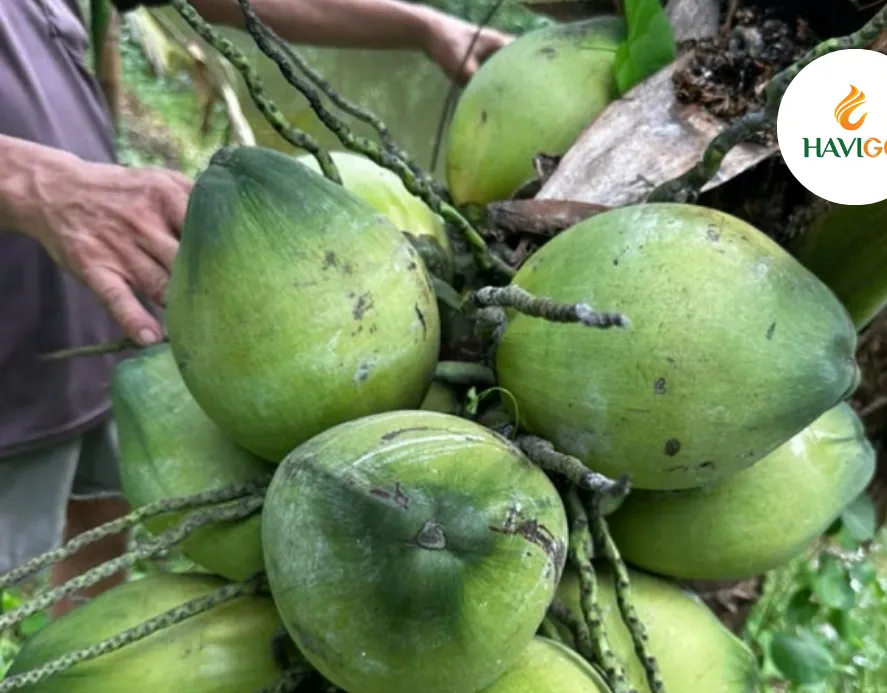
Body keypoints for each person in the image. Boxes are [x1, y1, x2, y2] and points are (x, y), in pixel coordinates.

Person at [0, 0, 509, 609]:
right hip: (11, 342)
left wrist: (418, 26)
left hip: (104, 308)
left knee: (94, 518)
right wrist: (29, 181)